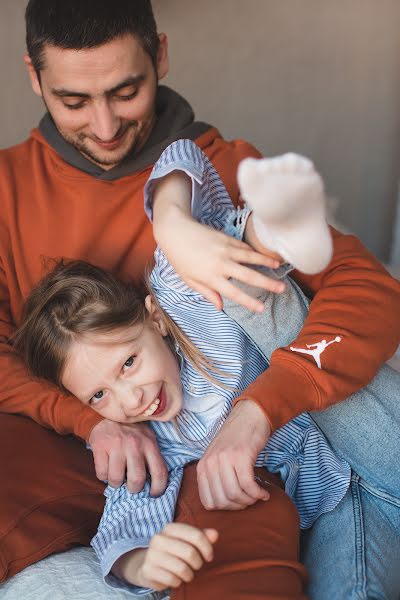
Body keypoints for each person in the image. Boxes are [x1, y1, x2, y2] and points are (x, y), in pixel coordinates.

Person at [0, 0, 399, 597]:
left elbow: (369, 294)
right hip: (136, 476)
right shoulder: (6, 191)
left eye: (126, 90)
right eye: (74, 101)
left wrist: (176, 225)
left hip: (294, 436)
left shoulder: (223, 161)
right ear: (34, 77)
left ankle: (262, 236)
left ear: (159, 55)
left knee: (229, 267)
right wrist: (93, 421)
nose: (105, 127)